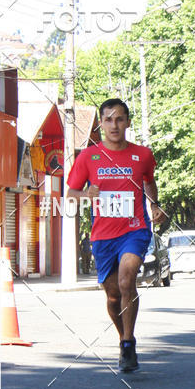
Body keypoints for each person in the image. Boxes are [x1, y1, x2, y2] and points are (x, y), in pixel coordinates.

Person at [66, 98, 164, 372]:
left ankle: (128, 343)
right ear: (100, 125)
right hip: (103, 235)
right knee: (112, 295)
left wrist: (154, 204)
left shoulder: (142, 155)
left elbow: (149, 181)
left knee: (126, 280)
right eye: (108, 119)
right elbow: (70, 193)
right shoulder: (88, 157)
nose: (114, 124)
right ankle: (123, 337)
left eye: (119, 119)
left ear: (128, 122)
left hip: (134, 228)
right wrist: (86, 193)